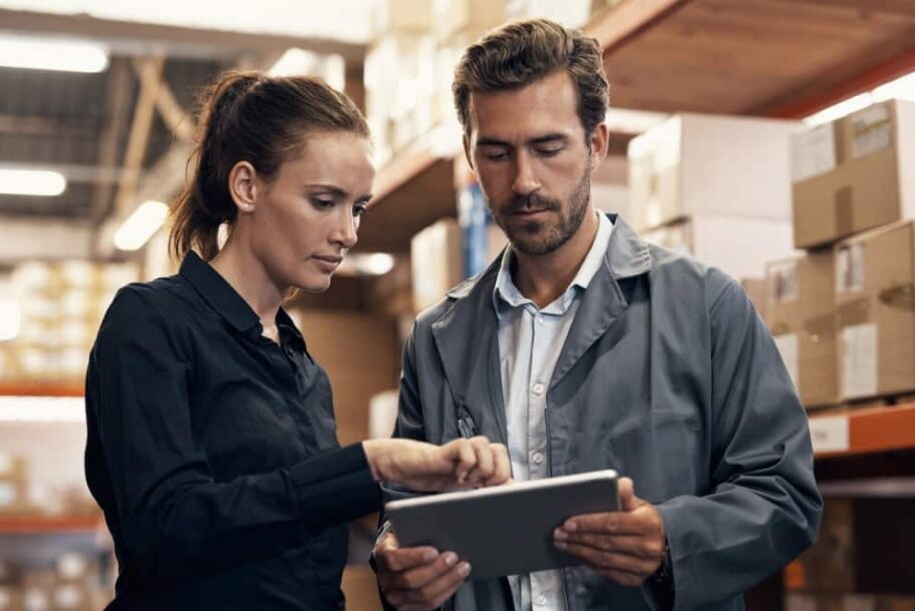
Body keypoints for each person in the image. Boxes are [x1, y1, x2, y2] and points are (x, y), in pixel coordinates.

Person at [372, 19, 822, 611]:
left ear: (597, 143)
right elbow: (405, 507)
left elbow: (785, 497)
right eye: (497, 153)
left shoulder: (706, 306)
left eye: (548, 148)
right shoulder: (436, 339)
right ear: (470, 156)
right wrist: (395, 560)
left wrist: (672, 540)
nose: (524, 181)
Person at [83, 71, 510, 611]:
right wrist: (371, 465)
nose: (347, 233)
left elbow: (299, 552)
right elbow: (168, 529)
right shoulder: (151, 324)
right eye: (324, 201)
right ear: (247, 187)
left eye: (357, 208)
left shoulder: (303, 366)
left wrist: (419, 528)